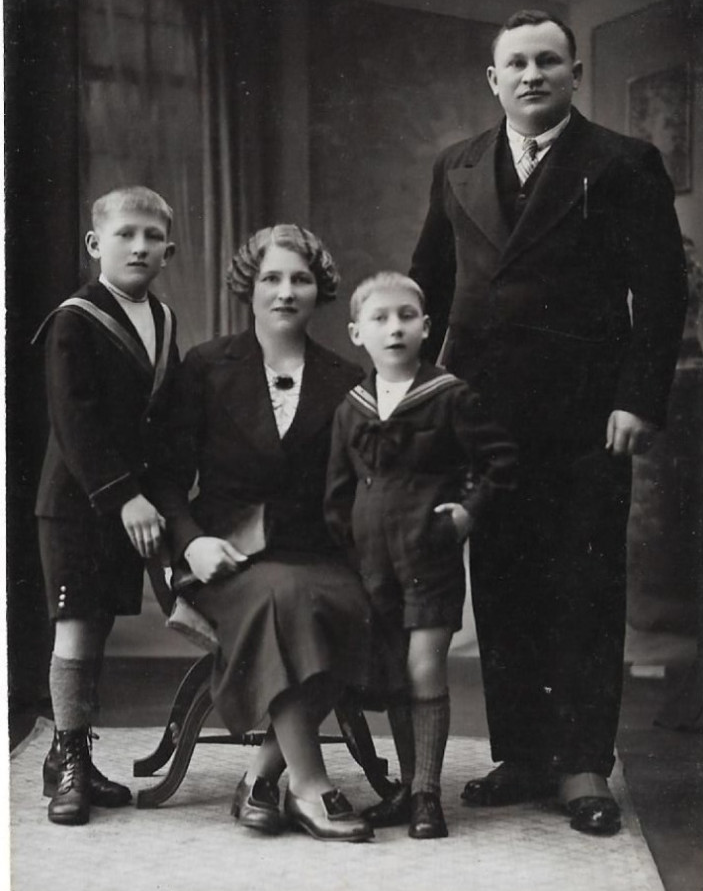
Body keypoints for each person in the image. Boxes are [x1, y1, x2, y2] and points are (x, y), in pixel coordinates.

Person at [410, 9, 688, 836]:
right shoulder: (456, 164)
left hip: (583, 412)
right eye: (515, 64)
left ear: (572, 74)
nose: (531, 75)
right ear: (491, 80)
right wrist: (420, 393)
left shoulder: (623, 162)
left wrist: (636, 397)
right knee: (501, 577)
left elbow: (661, 291)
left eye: (547, 61)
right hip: (480, 408)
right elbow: (427, 283)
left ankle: (579, 763)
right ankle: (524, 752)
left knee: (581, 580)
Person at [153, 224, 377, 843]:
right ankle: (310, 785)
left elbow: (360, 483)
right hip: (224, 555)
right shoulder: (206, 367)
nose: (285, 292)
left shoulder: (345, 377)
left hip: (316, 551)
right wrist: (190, 540)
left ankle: (259, 777)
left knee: (348, 603)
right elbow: (168, 478)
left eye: (300, 279)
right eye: (271, 278)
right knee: (282, 598)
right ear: (248, 288)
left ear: (319, 290)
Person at [324, 272, 517, 839]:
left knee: (423, 665)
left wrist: (466, 513)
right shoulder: (352, 408)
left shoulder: (449, 395)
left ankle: (429, 794)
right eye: (380, 319)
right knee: (393, 674)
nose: (395, 328)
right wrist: (346, 550)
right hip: (371, 563)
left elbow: (499, 462)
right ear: (357, 333)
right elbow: (335, 492)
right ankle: (410, 788)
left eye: (406, 316)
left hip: (427, 555)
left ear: (426, 327)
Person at [33, 186, 181, 825]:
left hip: (134, 503)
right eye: (125, 234)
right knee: (77, 625)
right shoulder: (75, 317)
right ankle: (68, 760)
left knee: (98, 626)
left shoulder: (165, 319)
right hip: (79, 501)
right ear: (97, 244)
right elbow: (75, 421)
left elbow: (165, 418)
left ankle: (74, 755)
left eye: (152, 237)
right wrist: (124, 497)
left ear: (168, 250)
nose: (139, 246)